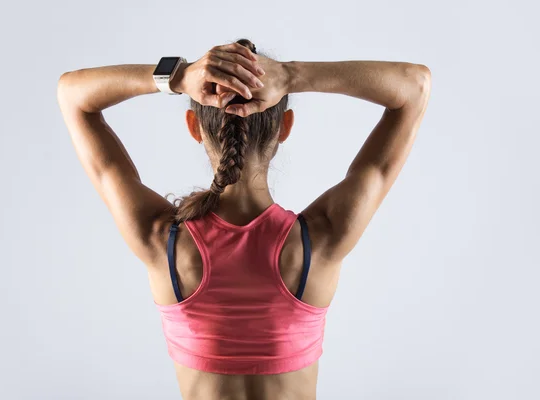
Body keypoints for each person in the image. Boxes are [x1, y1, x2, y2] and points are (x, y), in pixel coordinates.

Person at [57, 38, 431, 400]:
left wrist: (179, 76)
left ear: (193, 126)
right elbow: (414, 86)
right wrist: (292, 75)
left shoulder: (162, 243)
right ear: (285, 128)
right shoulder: (321, 240)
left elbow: (73, 95)